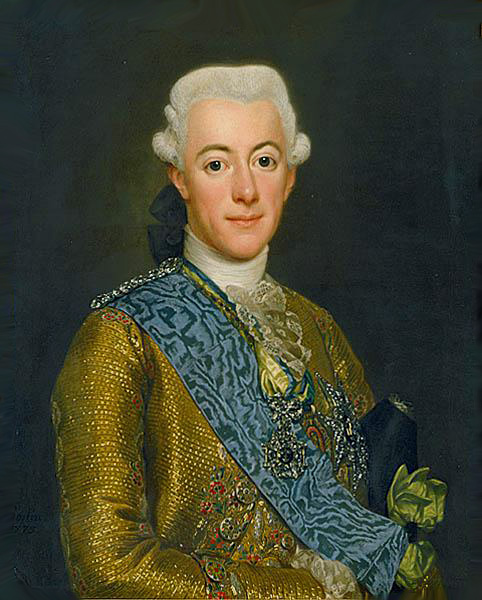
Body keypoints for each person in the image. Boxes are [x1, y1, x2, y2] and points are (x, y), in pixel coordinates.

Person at [51, 64, 448, 599]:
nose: (245, 190)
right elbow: (107, 567)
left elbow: (371, 519)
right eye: (216, 164)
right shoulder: (120, 338)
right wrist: (307, 594)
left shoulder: (318, 329)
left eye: (264, 161)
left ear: (289, 177)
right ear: (180, 178)